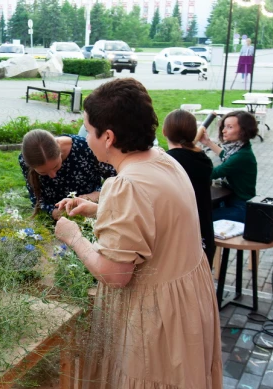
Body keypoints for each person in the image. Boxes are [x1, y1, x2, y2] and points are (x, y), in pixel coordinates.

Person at [55, 78, 222, 388]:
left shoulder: (126, 186)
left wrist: (73, 236)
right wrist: (99, 208)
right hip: (184, 303)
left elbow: (115, 274)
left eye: (88, 130)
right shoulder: (163, 161)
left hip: (157, 318)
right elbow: (156, 214)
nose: (85, 137)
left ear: (108, 137)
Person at [19, 129, 115, 219]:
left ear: (60, 150)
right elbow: (36, 198)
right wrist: (53, 212)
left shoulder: (85, 147)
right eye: (43, 172)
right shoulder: (24, 160)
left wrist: (96, 194)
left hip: (93, 211)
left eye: (56, 166)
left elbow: (117, 181)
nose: (53, 175)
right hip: (56, 217)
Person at [163, 109, 216, 267]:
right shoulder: (204, 159)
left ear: (164, 132)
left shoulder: (169, 162)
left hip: (181, 241)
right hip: (204, 235)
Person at [199, 111, 258, 223]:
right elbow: (225, 155)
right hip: (231, 200)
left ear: (243, 131)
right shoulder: (240, 148)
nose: (223, 131)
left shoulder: (241, 156)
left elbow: (212, 173)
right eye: (224, 126)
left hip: (241, 207)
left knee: (203, 218)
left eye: (229, 127)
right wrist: (208, 142)